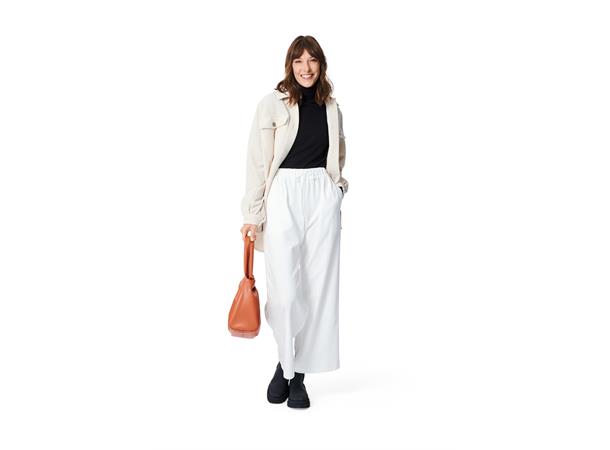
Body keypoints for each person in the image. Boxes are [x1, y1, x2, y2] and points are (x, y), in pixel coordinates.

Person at [239, 35, 348, 409]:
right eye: (299, 61)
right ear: (290, 65)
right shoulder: (272, 104)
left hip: (321, 195)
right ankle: (284, 362)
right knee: (284, 292)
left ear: (321, 65)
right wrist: (252, 214)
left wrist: (336, 189)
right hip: (283, 193)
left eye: (312, 60)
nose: (306, 68)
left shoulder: (331, 107)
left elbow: (339, 154)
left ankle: (297, 374)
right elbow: (258, 161)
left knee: (317, 289)